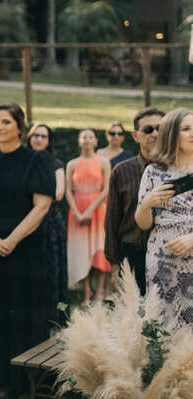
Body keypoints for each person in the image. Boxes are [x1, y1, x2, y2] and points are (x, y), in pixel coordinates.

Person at [0, 103, 55, 396]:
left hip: (26, 247)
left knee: (23, 312)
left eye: (5, 122)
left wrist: (12, 240)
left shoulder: (37, 160)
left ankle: (25, 381)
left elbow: (42, 206)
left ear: (19, 126)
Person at [135, 108, 193, 331]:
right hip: (163, 262)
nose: (192, 134)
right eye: (186, 129)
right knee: (163, 328)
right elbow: (143, 224)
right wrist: (146, 204)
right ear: (171, 134)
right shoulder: (153, 172)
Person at [104, 108, 165, 295]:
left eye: (160, 128)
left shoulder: (178, 170)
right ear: (135, 135)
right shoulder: (121, 171)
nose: (155, 134)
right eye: (148, 129)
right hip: (132, 254)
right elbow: (112, 220)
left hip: (168, 256)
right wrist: (115, 264)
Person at [66, 129, 112, 303]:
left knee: (99, 249)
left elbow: (106, 189)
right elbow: (68, 191)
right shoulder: (72, 164)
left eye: (90, 137)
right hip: (77, 211)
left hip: (97, 209)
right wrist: (77, 212)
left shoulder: (103, 162)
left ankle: (99, 292)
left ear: (95, 141)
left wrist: (90, 210)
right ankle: (86, 293)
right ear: (79, 141)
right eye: (84, 137)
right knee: (81, 250)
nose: (87, 140)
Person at [29, 122, 68, 318]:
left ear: (49, 141)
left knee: (52, 267)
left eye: (43, 136)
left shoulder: (56, 164)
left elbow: (59, 193)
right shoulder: (23, 160)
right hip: (25, 219)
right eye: (35, 135)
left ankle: (53, 313)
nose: (38, 139)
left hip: (49, 221)